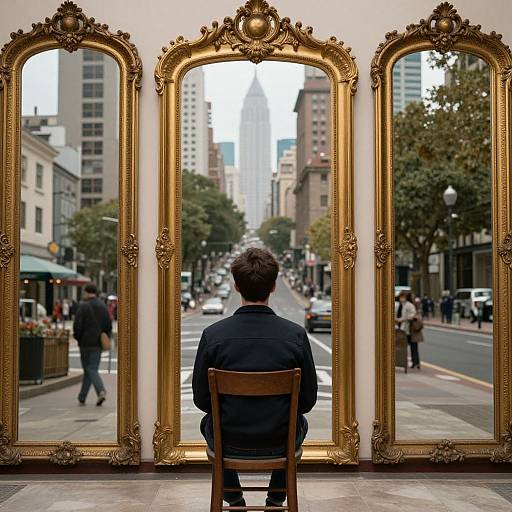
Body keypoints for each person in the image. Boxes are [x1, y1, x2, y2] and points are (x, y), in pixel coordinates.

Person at [192, 248, 317, 509]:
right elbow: (306, 401)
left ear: (236, 286)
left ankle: (234, 499)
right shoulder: (294, 336)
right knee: (299, 422)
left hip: (229, 441)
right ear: (273, 286)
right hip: (279, 441)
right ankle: (276, 498)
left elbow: (202, 400)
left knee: (208, 423)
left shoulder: (213, 335)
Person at [73, 283, 112, 406]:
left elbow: (77, 325)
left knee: (89, 369)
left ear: (86, 292)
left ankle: (101, 391)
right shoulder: (103, 306)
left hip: (85, 343)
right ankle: (82, 396)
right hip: (97, 343)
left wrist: (78, 338)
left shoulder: (83, 306)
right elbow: (108, 325)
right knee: (90, 369)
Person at [396, 291, 420, 369]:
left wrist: (402, 319)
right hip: (404, 329)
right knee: (405, 346)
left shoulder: (409, 305)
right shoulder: (401, 305)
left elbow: (413, 315)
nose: (401, 299)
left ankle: (415, 362)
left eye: (402, 297)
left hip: (410, 329)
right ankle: (411, 362)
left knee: (413, 347)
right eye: (400, 297)